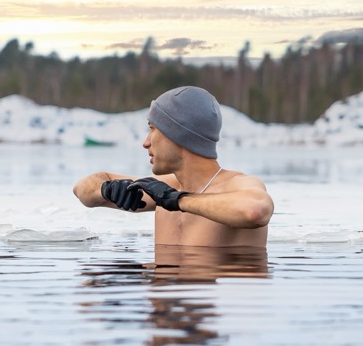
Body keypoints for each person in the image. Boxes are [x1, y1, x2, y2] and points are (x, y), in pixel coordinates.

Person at [73, 86, 274, 247]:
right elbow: (81, 189)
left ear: (177, 134)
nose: (146, 142)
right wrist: (107, 190)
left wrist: (177, 200)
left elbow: (255, 211)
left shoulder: (237, 185)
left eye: (152, 129)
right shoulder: (163, 189)